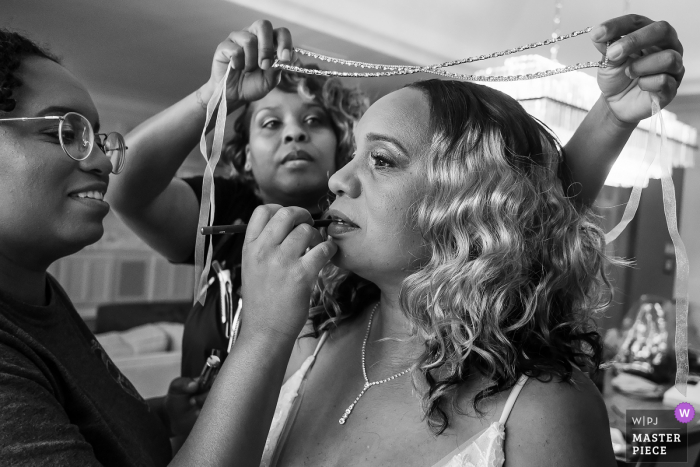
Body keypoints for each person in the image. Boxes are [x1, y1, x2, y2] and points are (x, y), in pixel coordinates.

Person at [109, 15, 685, 386]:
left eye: (314, 121)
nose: (292, 134)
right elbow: (124, 183)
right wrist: (215, 96)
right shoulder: (225, 209)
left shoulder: (359, 234)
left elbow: (519, 211)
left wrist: (610, 117)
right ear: (241, 154)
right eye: (268, 123)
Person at [242, 19, 684, 467]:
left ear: (465, 206)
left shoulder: (547, 416)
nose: (337, 179)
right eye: (351, 155)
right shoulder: (307, 332)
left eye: (381, 159)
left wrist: (610, 116)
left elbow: (526, 206)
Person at [0, 29, 335, 467]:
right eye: (61, 131)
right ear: (245, 155)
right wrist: (264, 334)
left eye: (93, 138)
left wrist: (158, 416)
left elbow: (97, 430)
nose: (103, 163)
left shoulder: (37, 297)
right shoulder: (226, 209)